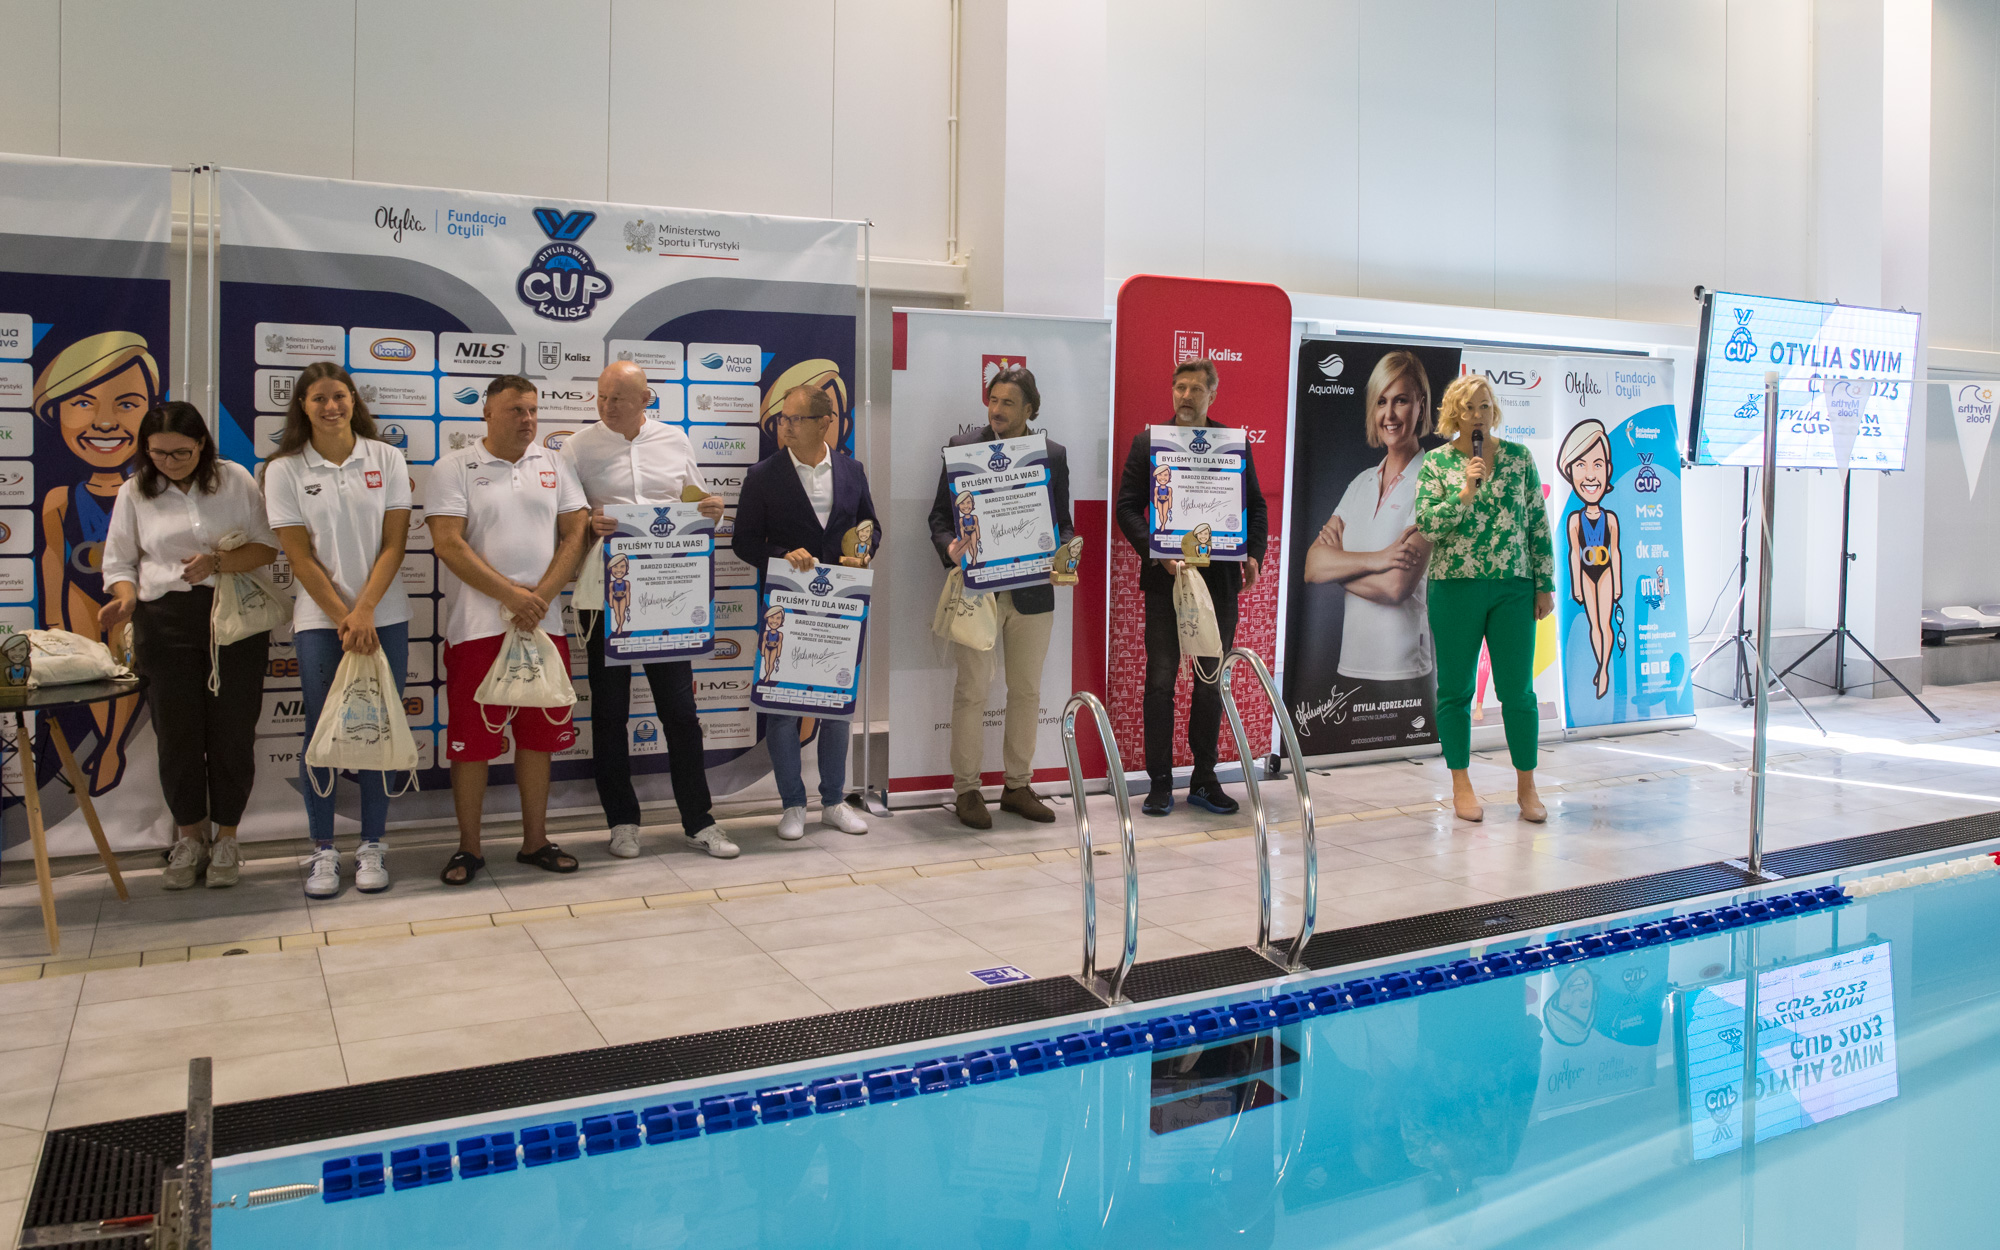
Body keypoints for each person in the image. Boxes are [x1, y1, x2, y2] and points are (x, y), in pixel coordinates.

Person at [561, 360, 736, 860]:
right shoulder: (577, 447)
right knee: (610, 715)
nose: (606, 407)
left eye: (617, 398)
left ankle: (700, 821)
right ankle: (621, 821)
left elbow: (695, 498)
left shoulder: (675, 441)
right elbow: (567, 522)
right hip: (605, 595)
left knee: (681, 714)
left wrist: (712, 506)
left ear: (646, 399)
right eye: (601, 397)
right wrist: (586, 524)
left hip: (668, 597)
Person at [98, 402, 278, 889]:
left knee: (232, 732)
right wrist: (126, 598)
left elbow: (267, 547)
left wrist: (217, 563)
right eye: (158, 453)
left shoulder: (234, 478)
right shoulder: (136, 489)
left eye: (181, 452)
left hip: (233, 618)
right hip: (163, 621)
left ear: (202, 444)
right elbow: (118, 563)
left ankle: (228, 838)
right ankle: (190, 838)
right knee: (176, 735)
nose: (170, 462)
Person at [425, 375, 591, 885]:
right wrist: (512, 596)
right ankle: (469, 848)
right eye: (516, 410)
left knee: (537, 740)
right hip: (477, 628)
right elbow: (449, 544)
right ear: (487, 413)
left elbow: (576, 532)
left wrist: (537, 598)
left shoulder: (555, 464)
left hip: (544, 625)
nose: (528, 420)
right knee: (473, 744)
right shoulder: (453, 466)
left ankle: (535, 840)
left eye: (533, 410)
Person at [261, 362, 412, 899]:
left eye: (340, 397)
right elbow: (298, 557)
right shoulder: (283, 469)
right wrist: (346, 615)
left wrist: (366, 610)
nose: (331, 407)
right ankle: (323, 850)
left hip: (385, 617)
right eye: (319, 398)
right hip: (320, 622)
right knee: (320, 739)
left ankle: (372, 845)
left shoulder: (387, 457)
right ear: (302, 405)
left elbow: (395, 544)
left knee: (375, 731)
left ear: (354, 402)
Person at [1114, 357, 1269, 817]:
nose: (1185, 396)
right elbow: (1127, 508)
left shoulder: (1232, 444)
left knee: (1209, 681)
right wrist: (1155, 549)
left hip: (1218, 580)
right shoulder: (1149, 443)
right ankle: (1159, 783)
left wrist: (1254, 554)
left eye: (1195, 389)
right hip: (1167, 581)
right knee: (1160, 681)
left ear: (1212, 395)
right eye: (1179, 387)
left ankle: (1204, 778)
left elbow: (1255, 506)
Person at [926, 364, 1073, 829]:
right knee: (972, 691)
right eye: (993, 401)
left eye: (1008, 403)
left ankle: (1017, 786)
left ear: (1030, 409)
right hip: (978, 592)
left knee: (1026, 691)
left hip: (1032, 592)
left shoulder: (1051, 455)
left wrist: (1066, 552)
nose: (997, 410)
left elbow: (1061, 522)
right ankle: (967, 790)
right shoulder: (962, 449)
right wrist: (951, 548)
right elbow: (938, 518)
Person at [732, 384, 877, 840]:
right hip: (787, 607)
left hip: (840, 607)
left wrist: (862, 554)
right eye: (782, 418)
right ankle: (792, 803)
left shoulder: (852, 471)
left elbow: (871, 529)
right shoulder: (763, 475)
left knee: (836, 708)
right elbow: (744, 542)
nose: (784, 425)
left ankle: (833, 800)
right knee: (782, 711)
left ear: (823, 423)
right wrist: (781, 554)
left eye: (795, 418)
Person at [1413, 374, 1556, 824]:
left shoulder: (1519, 458)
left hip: (1514, 585)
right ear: (1455, 414)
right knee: (1456, 691)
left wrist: (1544, 582)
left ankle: (1527, 788)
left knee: (1518, 691)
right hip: (1456, 585)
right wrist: (1465, 491)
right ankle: (1461, 783)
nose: (1479, 415)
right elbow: (1428, 525)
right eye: (1470, 408)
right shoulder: (1437, 463)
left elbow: (1536, 520)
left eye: (1485, 407)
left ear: (1495, 411)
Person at [34, 331, 162, 795]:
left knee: (122, 666)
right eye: (83, 404)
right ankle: (109, 741)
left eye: (128, 404)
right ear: (58, 412)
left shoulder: (152, 489)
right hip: (79, 593)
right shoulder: (58, 499)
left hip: (135, 593)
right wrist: (53, 621)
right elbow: (52, 558)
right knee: (92, 666)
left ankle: (110, 746)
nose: (105, 423)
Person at [1302, 351, 1435, 682]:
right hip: (1349, 664)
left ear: (1420, 404)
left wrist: (1339, 567)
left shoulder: (1434, 482)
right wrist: (1380, 558)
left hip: (1404, 671)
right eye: (1381, 401)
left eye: (1401, 400)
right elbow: (1312, 566)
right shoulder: (1361, 483)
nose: (1389, 414)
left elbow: (1395, 587)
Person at [1558, 419, 1623, 699]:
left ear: (1608, 470)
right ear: (1571, 473)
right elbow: (1574, 553)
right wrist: (1574, 586)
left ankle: (1605, 669)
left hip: (1606, 571)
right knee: (1594, 624)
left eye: (1597, 465)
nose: (1590, 475)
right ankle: (1601, 663)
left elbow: (1616, 551)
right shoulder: (1574, 519)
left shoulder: (1610, 518)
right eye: (1581, 466)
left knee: (1605, 624)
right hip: (1586, 573)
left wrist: (1617, 582)